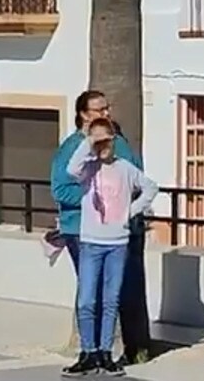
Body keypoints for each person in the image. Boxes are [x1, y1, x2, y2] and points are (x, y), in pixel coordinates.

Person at [50, 89, 153, 362]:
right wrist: (91, 200)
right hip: (81, 230)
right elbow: (61, 189)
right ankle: (89, 350)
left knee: (113, 293)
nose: (106, 113)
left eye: (107, 108)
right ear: (84, 114)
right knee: (89, 293)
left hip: (117, 232)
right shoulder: (72, 147)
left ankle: (114, 350)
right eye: (99, 109)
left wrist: (125, 208)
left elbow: (137, 177)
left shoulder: (119, 143)